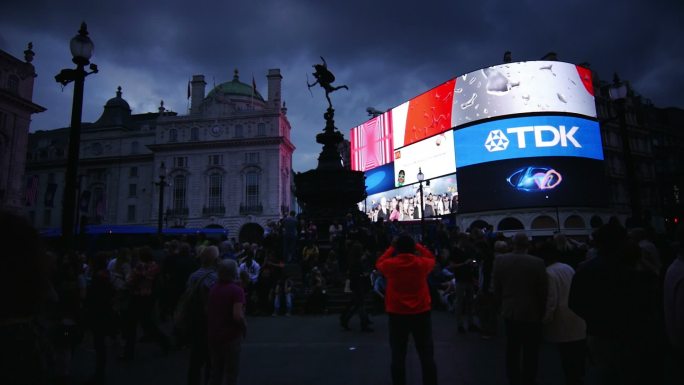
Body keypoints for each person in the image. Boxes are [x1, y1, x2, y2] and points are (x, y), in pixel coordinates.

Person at [376, 233, 438, 385]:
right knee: (426, 355)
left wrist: (392, 247)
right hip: (421, 312)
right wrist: (416, 244)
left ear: (398, 248)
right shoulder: (421, 264)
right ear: (412, 248)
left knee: (398, 355)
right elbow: (431, 258)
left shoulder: (391, 265)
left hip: (397, 313)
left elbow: (379, 262)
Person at [491, 232, 547, 385]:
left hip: (510, 310)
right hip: (532, 311)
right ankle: (529, 378)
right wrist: (543, 311)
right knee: (531, 349)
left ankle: (513, 378)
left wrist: (499, 305)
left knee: (512, 347)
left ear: (512, 244)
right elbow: (543, 291)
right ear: (527, 245)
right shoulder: (538, 263)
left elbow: (496, 288)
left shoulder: (501, 261)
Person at [538, 241, 586, 385]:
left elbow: (551, 299)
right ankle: (578, 376)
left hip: (561, 316)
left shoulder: (548, 273)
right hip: (575, 313)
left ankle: (572, 379)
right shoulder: (567, 267)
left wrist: (545, 319)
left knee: (566, 353)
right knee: (576, 350)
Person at [207, 259, 246, 385]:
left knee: (216, 371)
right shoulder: (237, 290)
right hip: (230, 335)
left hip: (214, 333)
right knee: (231, 372)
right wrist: (244, 326)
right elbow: (237, 315)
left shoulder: (213, 288)